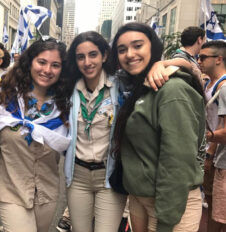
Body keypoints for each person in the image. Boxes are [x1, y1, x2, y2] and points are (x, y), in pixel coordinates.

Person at [111, 22, 205, 232]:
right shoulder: (139, 86)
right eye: (122, 49)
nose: (129, 54)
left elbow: (177, 162)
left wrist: (166, 220)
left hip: (170, 206)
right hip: (139, 199)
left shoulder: (172, 90)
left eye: (137, 46)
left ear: (153, 47)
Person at [0, 37, 71, 232]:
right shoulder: (3, 97)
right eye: (42, 62)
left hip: (47, 193)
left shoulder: (66, 105)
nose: (47, 70)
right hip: (12, 191)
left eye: (55, 65)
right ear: (30, 62)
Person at [63, 31, 127, 232]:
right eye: (80, 57)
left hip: (108, 176)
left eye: (93, 54)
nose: (87, 62)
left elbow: (153, 69)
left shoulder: (121, 86)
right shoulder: (67, 89)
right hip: (77, 176)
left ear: (104, 56)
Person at [199, 40, 226, 232]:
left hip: (218, 158)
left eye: (203, 57)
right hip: (213, 156)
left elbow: (223, 129)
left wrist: (208, 150)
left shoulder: (223, 88)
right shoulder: (209, 83)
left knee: (219, 212)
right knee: (211, 204)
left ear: (218, 59)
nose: (198, 61)